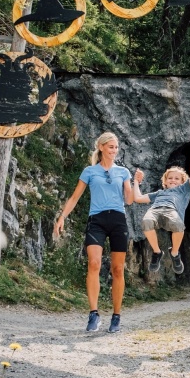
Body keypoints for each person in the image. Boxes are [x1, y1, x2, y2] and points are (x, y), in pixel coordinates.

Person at [53, 132, 133, 333]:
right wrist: (62, 217)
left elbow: (130, 200)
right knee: (94, 263)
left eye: (116, 147)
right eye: (111, 147)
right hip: (96, 219)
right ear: (101, 148)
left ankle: (116, 316)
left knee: (117, 269)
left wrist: (135, 182)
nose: (114, 151)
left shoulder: (123, 172)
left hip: (117, 220)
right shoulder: (89, 171)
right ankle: (94, 314)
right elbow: (74, 197)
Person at [132, 148, 190, 274]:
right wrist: (136, 182)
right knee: (146, 221)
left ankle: (174, 253)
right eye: (170, 178)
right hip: (155, 210)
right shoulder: (159, 193)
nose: (173, 180)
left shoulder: (184, 190)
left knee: (179, 226)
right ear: (165, 182)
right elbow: (138, 198)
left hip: (171, 212)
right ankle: (157, 252)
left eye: (177, 178)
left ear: (183, 182)